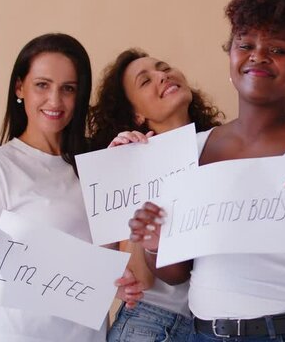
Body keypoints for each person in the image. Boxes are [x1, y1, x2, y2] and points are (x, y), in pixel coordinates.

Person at [129, 0, 285, 340]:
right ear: (230, 53)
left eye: (278, 49)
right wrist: (154, 243)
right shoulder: (192, 151)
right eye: (245, 45)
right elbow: (176, 273)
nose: (258, 56)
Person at [0, 33, 107, 341]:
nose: (55, 101)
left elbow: (114, 259)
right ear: (20, 87)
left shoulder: (96, 166)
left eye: (68, 89)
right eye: (42, 85)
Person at [88, 48, 223, 342]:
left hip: (213, 328)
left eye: (164, 68)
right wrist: (133, 174)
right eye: (145, 81)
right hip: (150, 325)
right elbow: (141, 280)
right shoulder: (128, 161)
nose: (163, 76)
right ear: (137, 114)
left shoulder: (222, 149)